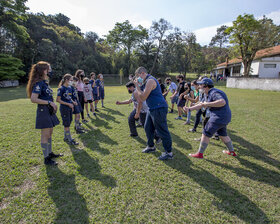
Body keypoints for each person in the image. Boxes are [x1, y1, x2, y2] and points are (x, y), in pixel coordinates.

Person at [188, 78, 236, 159]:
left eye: (200, 85)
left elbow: (222, 102)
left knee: (205, 133)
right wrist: (189, 109)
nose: (199, 87)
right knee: (223, 134)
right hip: (224, 117)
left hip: (218, 117)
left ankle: (199, 154)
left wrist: (207, 103)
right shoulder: (207, 93)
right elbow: (201, 104)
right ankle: (231, 152)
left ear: (206, 86)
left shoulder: (214, 92)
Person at [26, 61, 62, 166]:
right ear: (43, 71)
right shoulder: (39, 84)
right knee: (45, 135)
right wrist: (49, 102)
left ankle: (49, 153)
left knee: (50, 132)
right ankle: (46, 158)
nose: (50, 71)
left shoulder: (45, 82)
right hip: (43, 111)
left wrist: (52, 104)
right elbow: (33, 99)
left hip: (49, 110)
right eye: (48, 69)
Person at [134, 66, 173, 160]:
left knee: (162, 130)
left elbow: (143, 97)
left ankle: (169, 152)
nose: (138, 78)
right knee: (147, 127)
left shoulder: (150, 81)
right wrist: (140, 85)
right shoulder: (145, 82)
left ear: (142, 73)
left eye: (138, 76)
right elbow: (139, 96)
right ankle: (151, 146)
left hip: (159, 108)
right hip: (152, 108)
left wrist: (137, 86)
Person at [56, 74, 79, 146]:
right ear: (66, 80)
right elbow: (58, 100)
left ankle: (66, 137)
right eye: (71, 80)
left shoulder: (69, 88)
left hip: (70, 107)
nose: (72, 82)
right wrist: (68, 104)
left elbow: (69, 97)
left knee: (68, 123)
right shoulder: (61, 88)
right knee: (67, 125)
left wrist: (72, 102)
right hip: (64, 108)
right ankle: (70, 139)